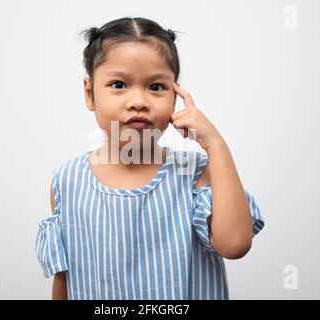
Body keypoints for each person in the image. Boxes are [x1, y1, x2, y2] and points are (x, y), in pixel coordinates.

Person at [35, 16, 265, 300]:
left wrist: (215, 144)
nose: (139, 101)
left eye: (156, 87)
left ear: (175, 94)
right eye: (119, 84)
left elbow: (235, 245)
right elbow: (64, 280)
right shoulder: (67, 181)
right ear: (89, 93)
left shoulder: (196, 173)